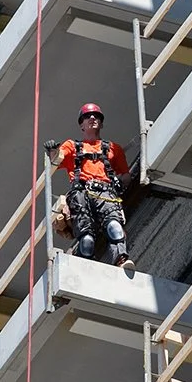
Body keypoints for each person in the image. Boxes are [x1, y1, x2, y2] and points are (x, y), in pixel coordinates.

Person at [44, 103, 133, 269]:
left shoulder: (114, 149)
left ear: (101, 122)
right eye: (87, 116)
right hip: (81, 194)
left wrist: (120, 185)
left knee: (114, 226)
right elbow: (56, 159)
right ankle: (84, 266)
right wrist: (52, 150)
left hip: (106, 191)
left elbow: (126, 175)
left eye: (96, 116)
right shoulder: (72, 146)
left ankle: (121, 259)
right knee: (86, 239)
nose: (92, 118)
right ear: (81, 124)